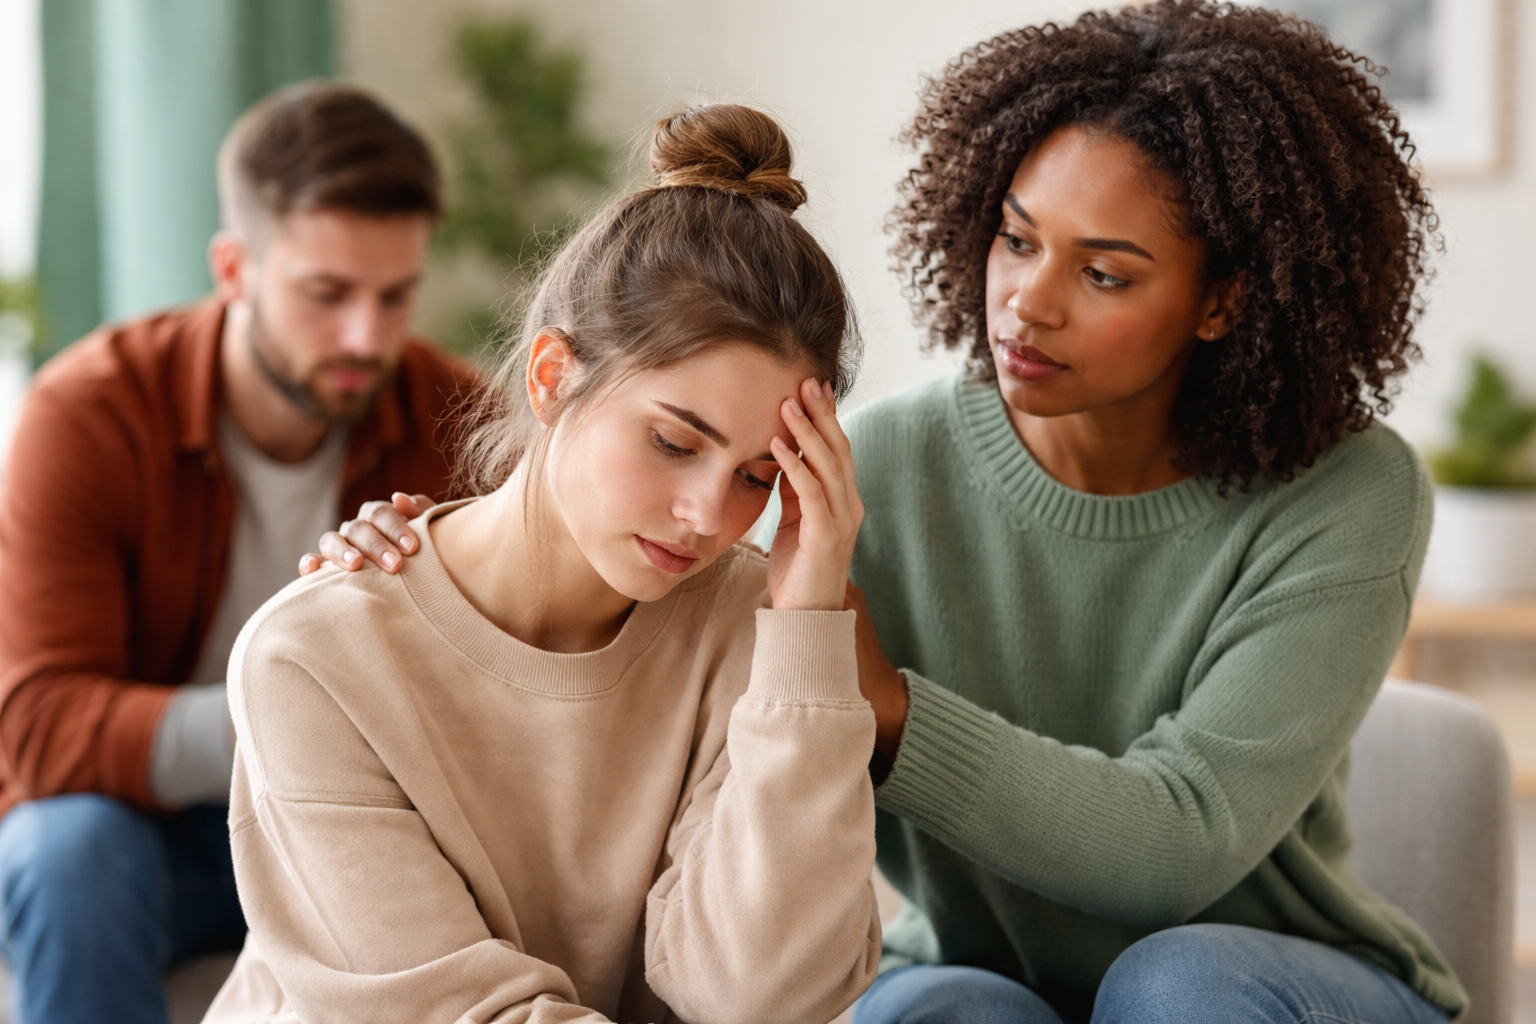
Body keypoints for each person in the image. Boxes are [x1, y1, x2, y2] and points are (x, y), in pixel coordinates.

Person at [333, 3, 1465, 1022]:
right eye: (1016, 238)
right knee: (930, 1016)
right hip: (975, 974)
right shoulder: (867, 465)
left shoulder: (1348, 493)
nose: (1028, 298)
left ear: (1223, 301)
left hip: (1265, 981)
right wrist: (419, 564)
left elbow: (1183, 840)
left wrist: (886, 708)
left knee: (1177, 986)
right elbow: (661, 619)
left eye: (1105, 274)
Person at [202, 104, 880, 1024]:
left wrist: (805, 631)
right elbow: (454, 1011)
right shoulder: (312, 656)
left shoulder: (751, 634)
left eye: (760, 476)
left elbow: (765, 999)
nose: (708, 516)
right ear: (552, 378)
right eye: (675, 443)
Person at [0, 82, 477, 1024]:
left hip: (355, 830)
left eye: (395, 297)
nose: (365, 338)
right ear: (233, 268)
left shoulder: (455, 418)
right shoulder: (86, 416)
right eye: (326, 294)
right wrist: (300, 710)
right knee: (71, 854)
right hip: (146, 838)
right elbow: (39, 725)